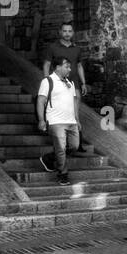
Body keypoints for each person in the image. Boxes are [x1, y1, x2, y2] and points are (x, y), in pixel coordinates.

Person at [36, 56, 80, 186]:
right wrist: (41, 120)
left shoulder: (70, 83)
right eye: (67, 66)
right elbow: (40, 101)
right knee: (60, 148)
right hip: (55, 121)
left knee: (74, 146)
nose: (69, 69)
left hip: (71, 121)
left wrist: (77, 119)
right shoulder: (48, 81)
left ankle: (48, 158)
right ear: (57, 67)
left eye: (70, 67)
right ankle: (63, 174)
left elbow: (73, 101)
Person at [40, 22, 87, 97]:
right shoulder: (52, 47)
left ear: (73, 33)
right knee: (60, 106)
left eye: (69, 31)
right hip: (57, 83)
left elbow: (79, 66)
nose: (67, 34)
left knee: (76, 104)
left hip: (74, 83)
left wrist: (83, 83)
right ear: (60, 32)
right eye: (64, 31)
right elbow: (46, 65)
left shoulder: (77, 49)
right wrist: (47, 82)